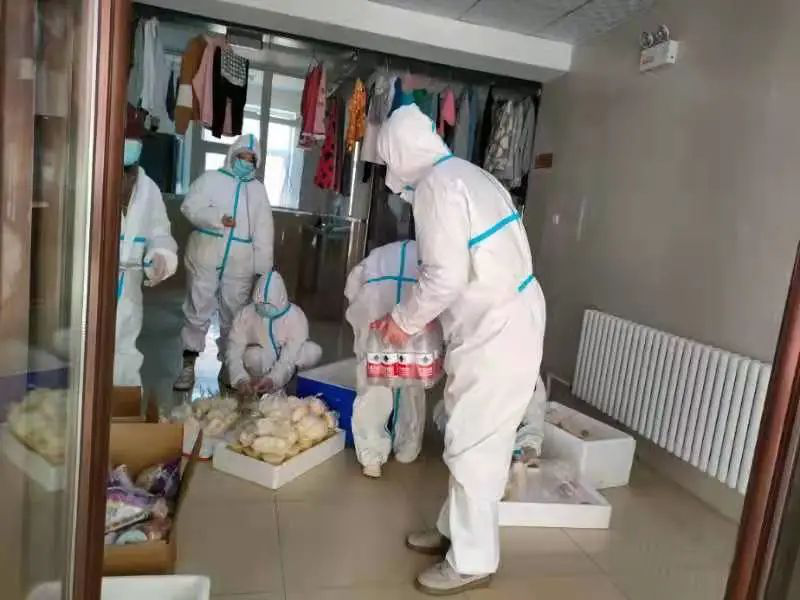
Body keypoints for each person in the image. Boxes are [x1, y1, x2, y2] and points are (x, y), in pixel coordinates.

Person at [374, 105, 546, 595]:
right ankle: (454, 531)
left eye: (388, 160)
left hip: (496, 327)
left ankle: (473, 560)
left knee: (475, 440)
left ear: (400, 153)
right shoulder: (469, 174)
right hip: (505, 318)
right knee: (473, 434)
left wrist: (402, 321)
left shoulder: (436, 187)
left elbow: (444, 277)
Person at [174, 133, 274, 391]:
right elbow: (189, 206)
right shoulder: (211, 179)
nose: (246, 162)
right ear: (232, 155)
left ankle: (229, 365)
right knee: (197, 308)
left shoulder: (257, 191)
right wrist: (217, 218)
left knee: (234, 316)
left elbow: (264, 231)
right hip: (206, 254)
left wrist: (263, 271)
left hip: (240, 262)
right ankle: (188, 366)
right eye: (242, 157)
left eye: (251, 159)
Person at [344, 240, 427, 478]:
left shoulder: (377, 255)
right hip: (414, 323)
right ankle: (408, 445)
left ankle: (371, 456)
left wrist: (361, 327)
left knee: (375, 386)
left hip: (376, 317)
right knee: (411, 383)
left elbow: (352, 289)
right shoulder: (427, 253)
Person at [115, 129, 178, 386]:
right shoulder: (91, 175)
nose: (126, 180)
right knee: (88, 348)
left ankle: (122, 403)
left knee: (125, 349)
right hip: (89, 280)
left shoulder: (148, 188)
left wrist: (161, 256)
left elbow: (159, 232)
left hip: (129, 286)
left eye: (130, 174)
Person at [226, 270, 322, 394]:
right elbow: (233, 349)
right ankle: (256, 383)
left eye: (270, 304)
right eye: (261, 304)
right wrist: (239, 378)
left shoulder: (296, 316)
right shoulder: (246, 315)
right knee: (253, 356)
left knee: (312, 352)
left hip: (286, 356)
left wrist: (274, 380)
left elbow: (289, 357)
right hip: (262, 356)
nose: (265, 307)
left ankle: (290, 378)